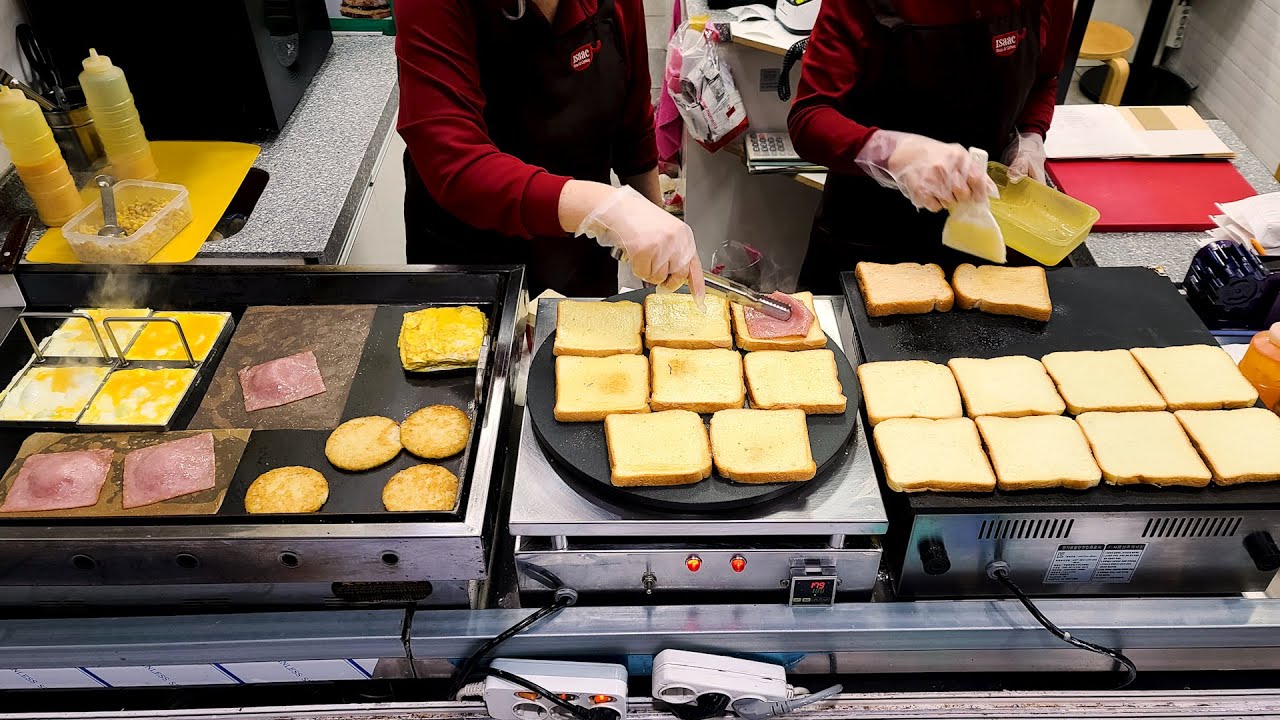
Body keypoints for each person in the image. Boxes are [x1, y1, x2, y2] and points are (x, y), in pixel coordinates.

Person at [396, 0, 704, 298]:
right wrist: (604, 207)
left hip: (580, 258)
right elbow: (454, 161)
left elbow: (633, 128)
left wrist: (656, 238)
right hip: (469, 267)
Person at [788, 0, 1072, 294]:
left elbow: (1045, 78)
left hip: (987, 225)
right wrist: (894, 154)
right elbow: (809, 119)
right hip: (870, 228)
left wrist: (1030, 137)